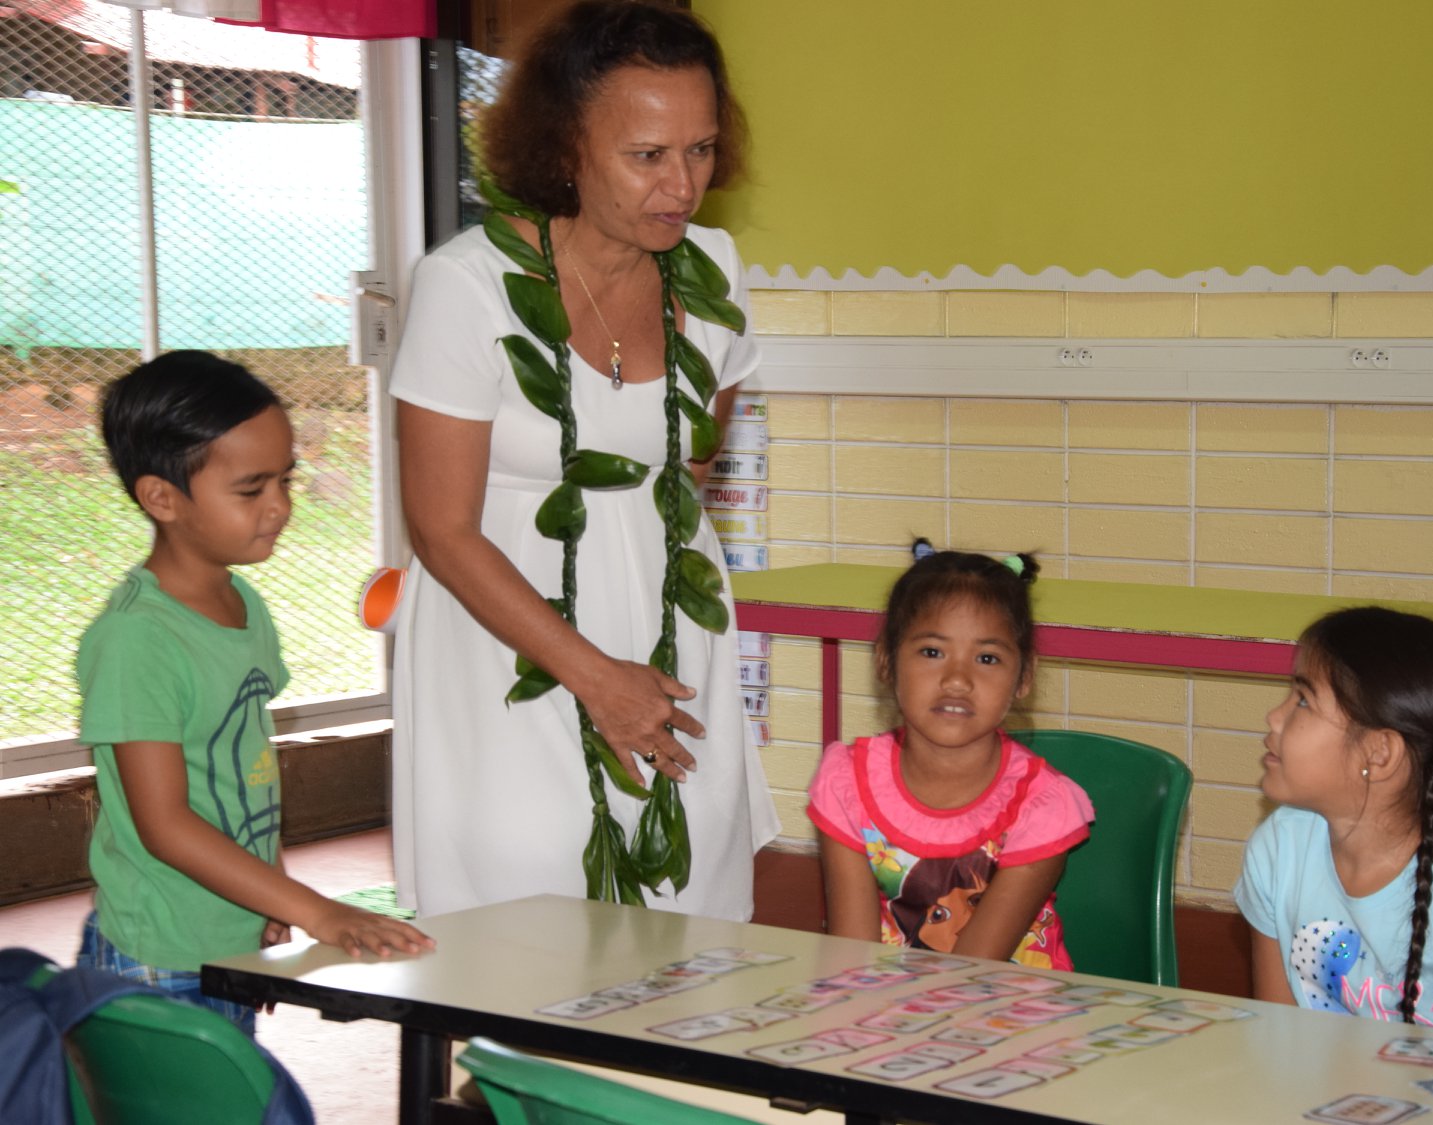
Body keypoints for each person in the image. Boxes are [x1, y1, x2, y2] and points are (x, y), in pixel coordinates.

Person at [388, 0, 777, 918]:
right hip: (508, 646)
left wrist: (642, 645)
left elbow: (685, 471)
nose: (682, 184)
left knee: (688, 912)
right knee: (531, 905)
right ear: (565, 146)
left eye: (701, 149)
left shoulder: (713, 270)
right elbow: (440, 529)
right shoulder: (466, 286)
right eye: (647, 155)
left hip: (670, 635)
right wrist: (596, 676)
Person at [77, 351, 434, 1034]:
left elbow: (246, 770)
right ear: (162, 498)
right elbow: (165, 825)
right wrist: (315, 909)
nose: (281, 506)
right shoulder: (136, 640)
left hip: (226, 937)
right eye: (251, 489)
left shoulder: (242, 604)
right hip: (160, 956)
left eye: (285, 479)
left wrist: (268, 897)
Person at [1234, 606, 1433, 1042]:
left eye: (1304, 700)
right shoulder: (1278, 848)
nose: (1274, 716)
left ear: (1379, 753)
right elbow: (1280, 1037)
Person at [807, 543, 1094, 969]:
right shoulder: (846, 783)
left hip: (1003, 1004)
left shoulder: (1041, 805)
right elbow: (853, 960)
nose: (957, 680)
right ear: (886, 660)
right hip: (880, 1002)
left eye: (987, 658)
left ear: (1023, 677)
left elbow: (970, 973)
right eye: (932, 652)